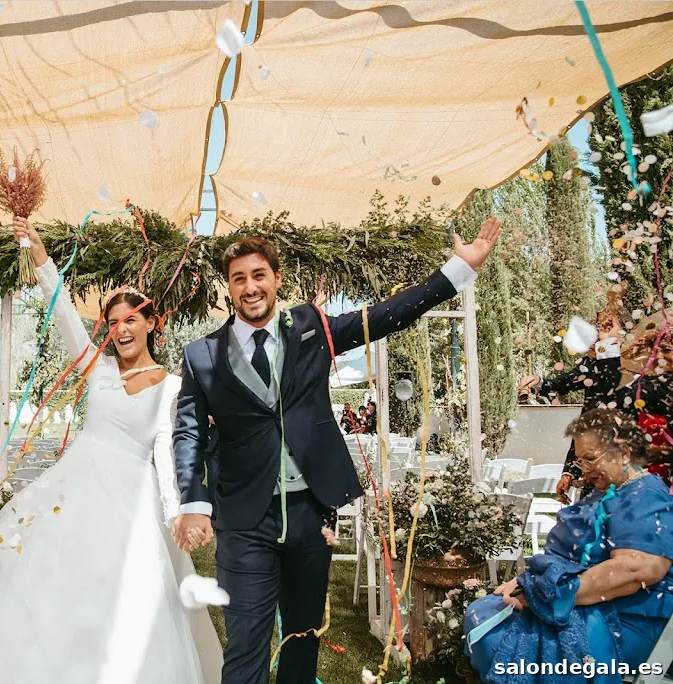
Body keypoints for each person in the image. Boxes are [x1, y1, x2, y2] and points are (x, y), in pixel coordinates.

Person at [171, 218, 501, 684]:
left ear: (276, 279)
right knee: (245, 643)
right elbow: (187, 431)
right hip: (243, 518)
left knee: (303, 638)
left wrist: (456, 271)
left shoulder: (312, 327)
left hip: (312, 509)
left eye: (259, 274)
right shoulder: (201, 355)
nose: (250, 287)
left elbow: (384, 316)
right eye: (239, 278)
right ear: (229, 287)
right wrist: (193, 500)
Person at [0, 217, 222, 684]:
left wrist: (178, 514)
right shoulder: (99, 369)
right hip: (74, 494)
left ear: (152, 323)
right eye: (113, 323)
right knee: (55, 589)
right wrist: (40, 257)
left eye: (130, 320)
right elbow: (64, 314)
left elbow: (168, 455)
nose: (121, 329)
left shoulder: (174, 387)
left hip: (131, 505)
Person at [463, 408, 673, 683]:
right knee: (483, 613)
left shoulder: (645, 495)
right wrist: (530, 584)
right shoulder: (613, 490)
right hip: (593, 607)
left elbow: (637, 570)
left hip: (626, 621)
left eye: (590, 459)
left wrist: (545, 595)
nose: (584, 470)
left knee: (494, 633)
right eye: (580, 461)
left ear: (624, 453)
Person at [519, 312, 625, 503]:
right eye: (598, 326)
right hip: (593, 471)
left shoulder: (639, 366)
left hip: (629, 470)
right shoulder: (591, 364)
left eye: (608, 326)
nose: (600, 332)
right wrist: (569, 471)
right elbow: (562, 385)